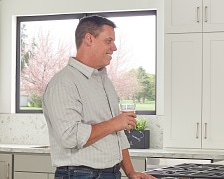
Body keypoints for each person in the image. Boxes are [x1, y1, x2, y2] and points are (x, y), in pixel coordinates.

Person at [43, 15, 156, 179]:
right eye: (108, 41)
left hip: (111, 173)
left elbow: (117, 134)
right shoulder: (63, 84)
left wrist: (130, 172)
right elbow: (69, 137)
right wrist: (114, 123)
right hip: (80, 175)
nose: (114, 47)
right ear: (89, 39)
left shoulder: (104, 81)